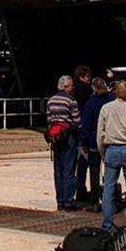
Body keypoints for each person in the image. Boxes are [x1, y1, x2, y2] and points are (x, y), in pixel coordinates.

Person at [96, 78, 126, 233]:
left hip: (111, 149)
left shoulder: (106, 108)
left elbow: (100, 134)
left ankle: (107, 225)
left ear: (115, 92)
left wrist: (103, 153)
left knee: (108, 189)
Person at [46, 74, 81, 211]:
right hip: (68, 137)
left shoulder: (51, 101)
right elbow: (77, 122)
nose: (73, 88)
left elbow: (49, 120)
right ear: (66, 87)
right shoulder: (71, 101)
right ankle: (68, 202)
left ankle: (60, 201)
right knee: (69, 170)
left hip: (55, 137)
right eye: (71, 85)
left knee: (58, 170)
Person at [79, 76, 112, 209]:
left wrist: (84, 142)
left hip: (94, 140)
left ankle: (95, 201)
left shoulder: (90, 104)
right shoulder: (112, 100)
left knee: (94, 171)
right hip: (110, 138)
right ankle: (110, 198)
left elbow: (86, 125)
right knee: (110, 171)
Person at [71, 65, 93, 202]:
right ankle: (84, 191)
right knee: (86, 161)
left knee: (77, 162)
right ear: (81, 77)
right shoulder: (87, 90)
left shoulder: (73, 91)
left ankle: (78, 190)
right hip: (85, 129)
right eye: (87, 76)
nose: (89, 79)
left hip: (75, 131)